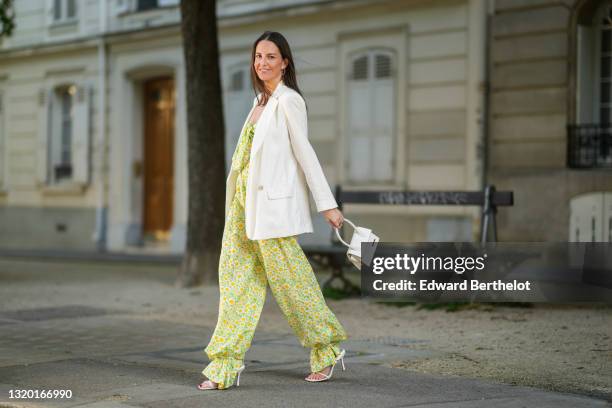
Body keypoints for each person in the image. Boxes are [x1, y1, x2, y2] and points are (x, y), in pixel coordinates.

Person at [197, 31, 348, 391]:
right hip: (242, 208)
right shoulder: (259, 100)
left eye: (270, 56)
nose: (262, 62)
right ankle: (225, 365)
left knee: (293, 284)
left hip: (272, 211)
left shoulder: (289, 101)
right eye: (257, 56)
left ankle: (326, 350)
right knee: (236, 285)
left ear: (285, 62)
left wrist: (327, 205)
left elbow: (305, 153)